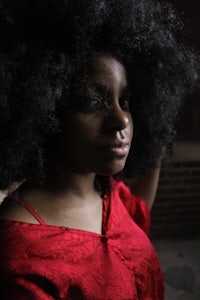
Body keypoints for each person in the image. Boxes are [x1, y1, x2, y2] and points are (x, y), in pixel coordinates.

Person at [0, 0, 198, 299]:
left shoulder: (104, 188)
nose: (120, 119)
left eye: (126, 101)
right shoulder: (21, 257)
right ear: (45, 111)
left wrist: (155, 138)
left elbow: (136, 215)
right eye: (93, 101)